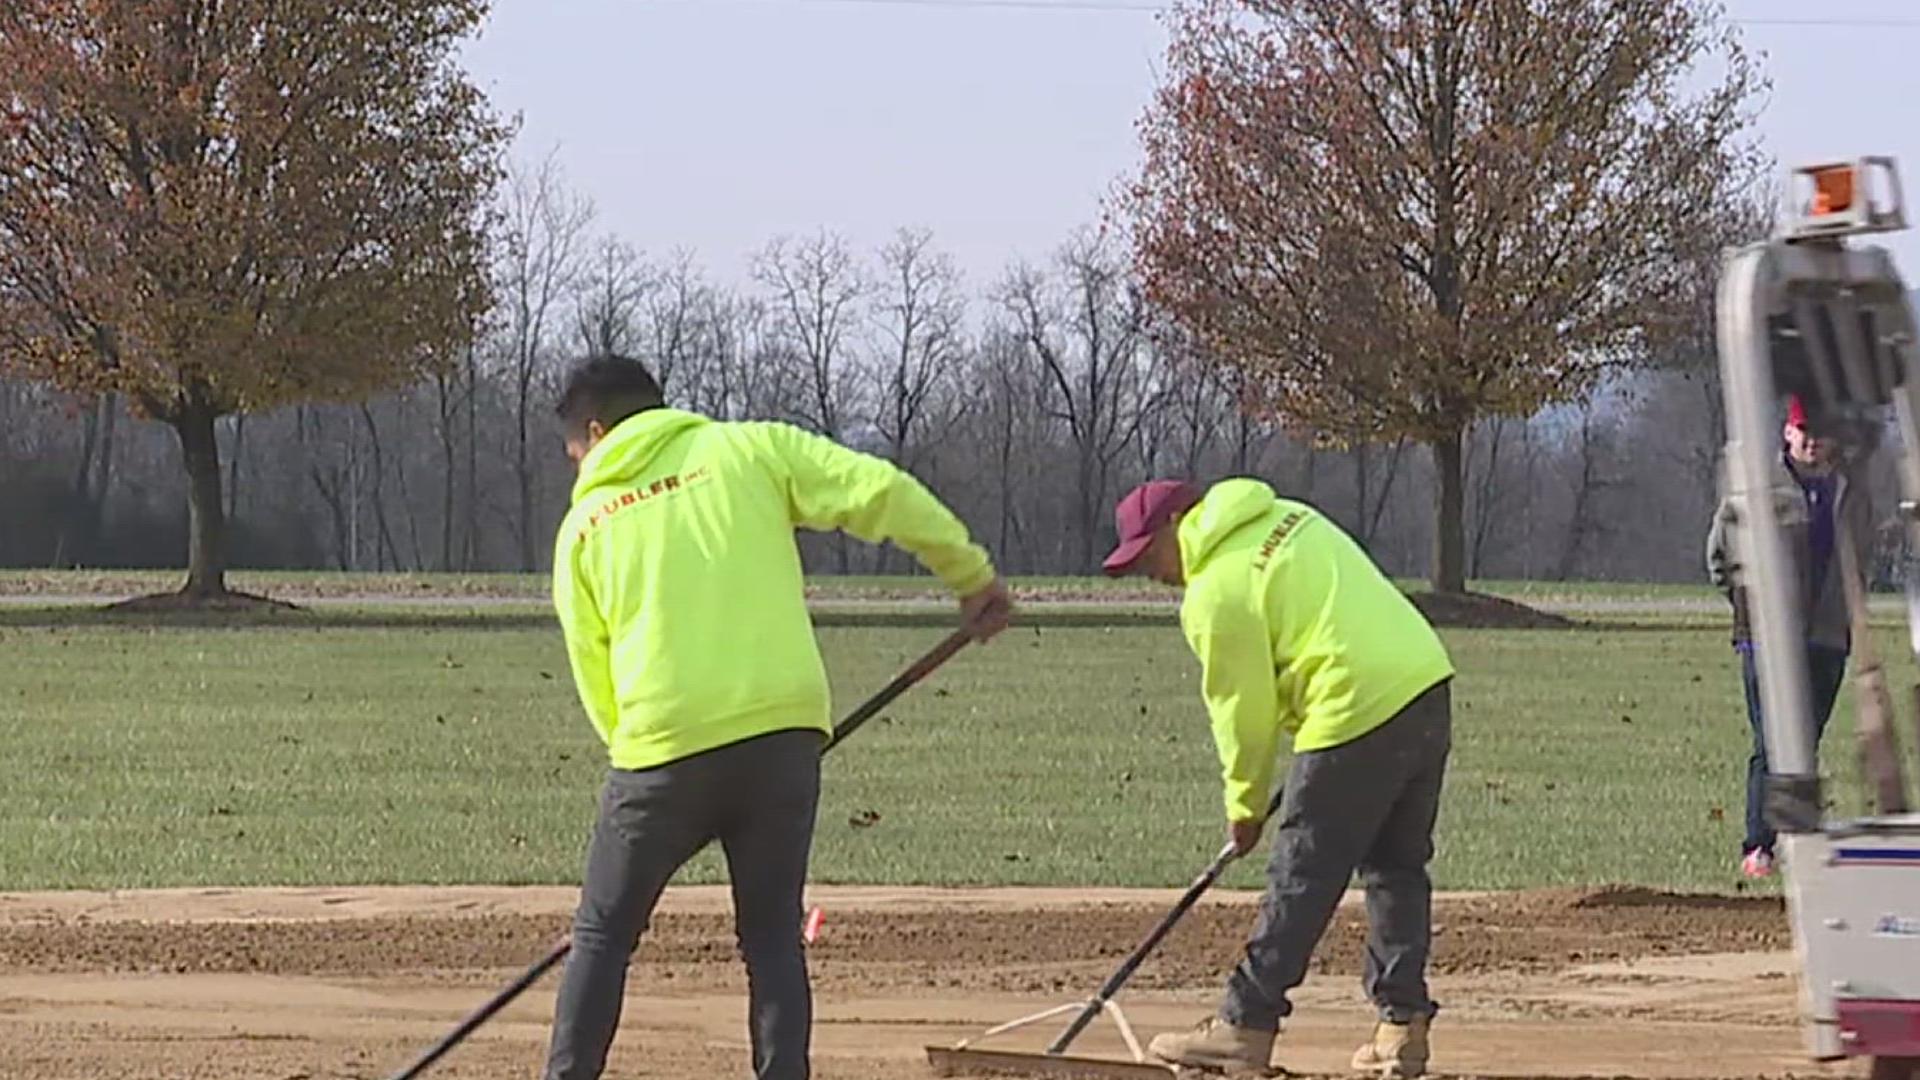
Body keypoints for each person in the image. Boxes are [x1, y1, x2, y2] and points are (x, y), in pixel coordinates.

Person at [543, 354, 1013, 1080]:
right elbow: (878, 490)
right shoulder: (749, 450)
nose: (576, 467)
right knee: (770, 938)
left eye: (574, 452)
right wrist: (969, 575)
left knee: (603, 935)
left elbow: (594, 671)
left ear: (596, 432)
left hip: (658, 751)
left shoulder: (584, 527)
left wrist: (642, 762)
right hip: (781, 736)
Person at [1102, 477, 1454, 1079]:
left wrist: (1243, 805)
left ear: (1175, 525)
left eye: (1147, 555)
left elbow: (1242, 710)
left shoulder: (1213, 591)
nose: (1151, 574)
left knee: (1303, 875)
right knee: (1396, 867)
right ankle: (1402, 1031)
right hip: (1424, 683)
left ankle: (1245, 1025)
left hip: (1351, 703)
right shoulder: (1288, 513)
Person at [1706, 394, 1872, 879]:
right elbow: (1719, 555)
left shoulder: (1849, 492)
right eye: (1804, 431)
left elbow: (1861, 557)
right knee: (1770, 741)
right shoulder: (1758, 487)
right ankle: (1759, 845)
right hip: (1767, 639)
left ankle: (1792, 841)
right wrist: (1751, 607)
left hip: (1825, 638)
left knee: (1805, 741)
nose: (1813, 442)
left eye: (1820, 434)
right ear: (1788, 432)